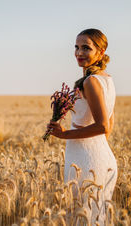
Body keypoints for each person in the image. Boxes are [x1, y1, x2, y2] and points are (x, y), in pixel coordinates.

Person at [47, 28, 117, 225]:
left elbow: (102, 125)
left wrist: (64, 134)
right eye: (76, 47)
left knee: (83, 219)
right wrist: (97, 151)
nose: (79, 53)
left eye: (86, 48)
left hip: (86, 162)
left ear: (101, 52)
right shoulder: (107, 80)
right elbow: (110, 124)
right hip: (99, 159)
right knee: (95, 220)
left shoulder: (91, 82)